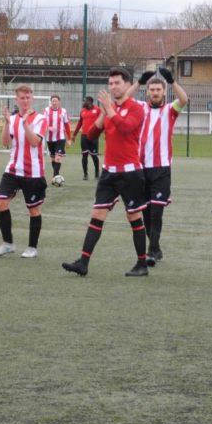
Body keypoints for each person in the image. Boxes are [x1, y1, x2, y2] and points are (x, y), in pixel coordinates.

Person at [62, 68, 150, 278]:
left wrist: (109, 109)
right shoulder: (109, 110)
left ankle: (142, 264)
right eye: (110, 83)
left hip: (130, 173)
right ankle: (83, 262)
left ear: (128, 84)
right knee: (97, 215)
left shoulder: (136, 108)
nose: (113, 87)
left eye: (117, 83)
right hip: (108, 173)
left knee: (134, 216)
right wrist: (103, 114)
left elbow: (126, 128)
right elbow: (91, 135)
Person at [128, 67, 189, 265]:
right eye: (152, 90)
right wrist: (139, 82)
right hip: (140, 168)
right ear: (147, 92)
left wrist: (172, 81)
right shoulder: (140, 108)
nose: (155, 93)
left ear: (164, 92)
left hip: (161, 169)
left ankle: (152, 250)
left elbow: (184, 99)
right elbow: (125, 99)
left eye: (158, 90)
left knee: (157, 210)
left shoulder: (170, 110)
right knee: (146, 211)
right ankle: (155, 247)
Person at [0, 85, 48, 259]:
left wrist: (25, 124)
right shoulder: (13, 119)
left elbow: (34, 142)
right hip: (13, 169)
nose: (25, 101)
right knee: (1, 203)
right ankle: (8, 244)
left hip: (33, 172)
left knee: (34, 210)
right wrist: (7, 123)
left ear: (32, 98)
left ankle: (32, 247)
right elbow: (5, 142)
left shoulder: (40, 119)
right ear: (17, 100)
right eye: (22, 98)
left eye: (28, 97)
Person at [70, 96, 103, 180]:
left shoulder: (97, 110)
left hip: (94, 136)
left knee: (94, 156)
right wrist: (74, 134)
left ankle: (97, 173)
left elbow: (103, 120)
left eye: (85, 101)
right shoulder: (82, 111)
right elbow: (80, 123)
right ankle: (85, 174)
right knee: (84, 155)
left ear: (90, 102)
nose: (83, 103)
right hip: (84, 136)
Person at [45, 95, 70, 179]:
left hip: (60, 138)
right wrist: (48, 128)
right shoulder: (46, 111)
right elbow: (43, 123)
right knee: (53, 158)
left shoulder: (63, 111)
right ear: (51, 102)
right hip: (50, 138)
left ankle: (55, 176)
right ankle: (56, 174)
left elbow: (66, 125)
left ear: (59, 102)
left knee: (58, 157)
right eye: (53, 101)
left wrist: (69, 138)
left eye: (56, 101)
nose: (54, 103)